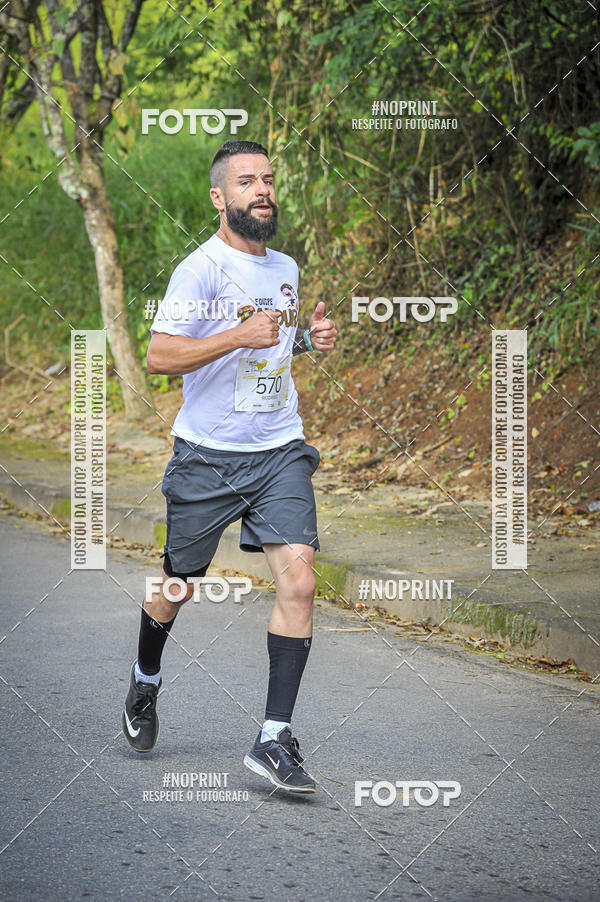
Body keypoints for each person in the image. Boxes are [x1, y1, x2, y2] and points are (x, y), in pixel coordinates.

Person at [122, 139, 338, 794]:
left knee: (298, 584)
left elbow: (268, 354)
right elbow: (161, 355)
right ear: (220, 197)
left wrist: (306, 340)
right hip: (207, 456)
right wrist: (236, 335)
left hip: (278, 451)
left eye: (268, 179)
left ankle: (273, 739)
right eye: (246, 181)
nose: (262, 190)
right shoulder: (200, 270)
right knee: (177, 583)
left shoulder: (286, 267)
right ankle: (145, 680)